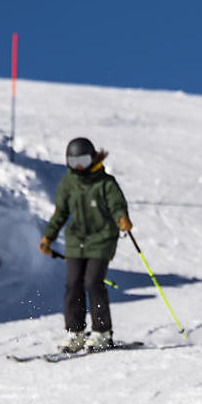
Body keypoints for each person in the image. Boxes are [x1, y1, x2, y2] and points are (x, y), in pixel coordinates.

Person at [37, 137, 132, 353]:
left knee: (93, 282)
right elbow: (60, 213)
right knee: (73, 285)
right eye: (74, 161)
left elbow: (117, 205)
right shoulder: (68, 184)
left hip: (102, 239)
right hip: (76, 241)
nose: (79, 165)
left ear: (93, 159)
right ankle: (75, 332)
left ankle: (102, 332)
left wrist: (122, 218)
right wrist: (48, 237)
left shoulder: (105, 183)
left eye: (83, 160)